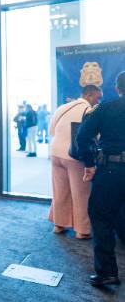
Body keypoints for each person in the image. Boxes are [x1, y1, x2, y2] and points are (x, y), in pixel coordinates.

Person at [76, 71, 125, 287]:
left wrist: (89, 164)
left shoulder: (105, 108)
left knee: (101, 216)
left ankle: (107, 272)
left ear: (117, 89)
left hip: (111, 170)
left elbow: (82, 136)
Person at [48, 85, 102, 239]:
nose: (98, 101)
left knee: (59, 192)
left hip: (55, 153)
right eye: (98, 97)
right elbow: (95, 137)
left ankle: (59, 225)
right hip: (75, 156)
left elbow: (51, 130)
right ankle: (82, 230)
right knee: (81, 194)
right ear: (89, 95)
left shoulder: (63, 107)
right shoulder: (89, 111)